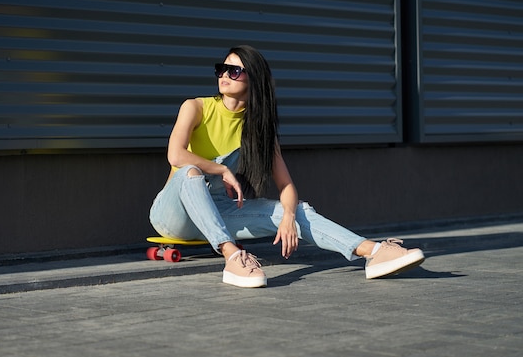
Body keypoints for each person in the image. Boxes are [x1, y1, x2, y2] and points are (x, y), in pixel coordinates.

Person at [149, 45, 424, 288]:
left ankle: (373, 252)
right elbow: (175, 155)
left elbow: (286, 185)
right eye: (222, 69)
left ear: (253, 78)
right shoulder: (196, 107)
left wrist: (289, 217)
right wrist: (221, 169)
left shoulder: (259, 128)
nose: (224, 76)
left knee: (295, 209)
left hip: (219, 213)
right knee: (190, 171)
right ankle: (232, 257)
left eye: (234, 71)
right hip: (175, 215)